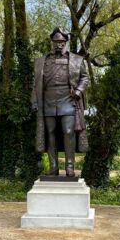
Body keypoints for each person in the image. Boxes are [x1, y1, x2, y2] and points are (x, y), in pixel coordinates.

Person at [31, 27, 89, 177]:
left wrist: (78, 92)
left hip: (68, 100)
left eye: (62, 42)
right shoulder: (41, 62)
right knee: (50, 133)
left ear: (66, 43)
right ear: (52, 42)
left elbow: (85, 77)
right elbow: (36, 84)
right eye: (56, 41)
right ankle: (53, 166)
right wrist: (35, 101)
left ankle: (69, 167)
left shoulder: (76, 60)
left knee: (68, 132)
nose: (59, 44)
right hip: (48, 101)